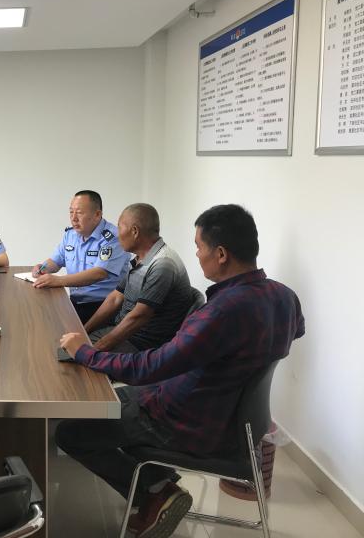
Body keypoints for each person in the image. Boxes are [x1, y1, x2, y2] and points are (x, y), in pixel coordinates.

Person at [55, 204, 304, 538]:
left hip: (186, 421)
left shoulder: (221, 312)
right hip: (232, 419)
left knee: (71, 432)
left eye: (199, 247)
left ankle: (155, 493)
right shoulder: (285, 297)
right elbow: (296, 330)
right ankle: (160, 484)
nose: (196, 254)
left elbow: (151, 367)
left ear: (221, 254)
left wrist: (85, 353)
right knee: (108, 401)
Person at [82, 203, 195, 353]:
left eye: (120, 227)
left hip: (142, 344)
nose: (117, 234)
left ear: (134, 231)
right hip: (123, 331)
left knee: (68, 356)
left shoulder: (163, 264)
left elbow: (139, 317)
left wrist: (92, 352)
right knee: (67, 345)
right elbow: (115, 298)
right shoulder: (139, 258)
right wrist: (83, 331)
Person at [32, 190, 129, 324]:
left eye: (79, 213)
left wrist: (58, 281)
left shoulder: (113, 238)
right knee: (42, 319)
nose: (73, 218)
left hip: (103, 306)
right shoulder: (71, 234)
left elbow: (99, 273)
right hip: (75, 303)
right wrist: (42, 268)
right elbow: (56, 260)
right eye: (71, 212)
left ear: (97, 214)